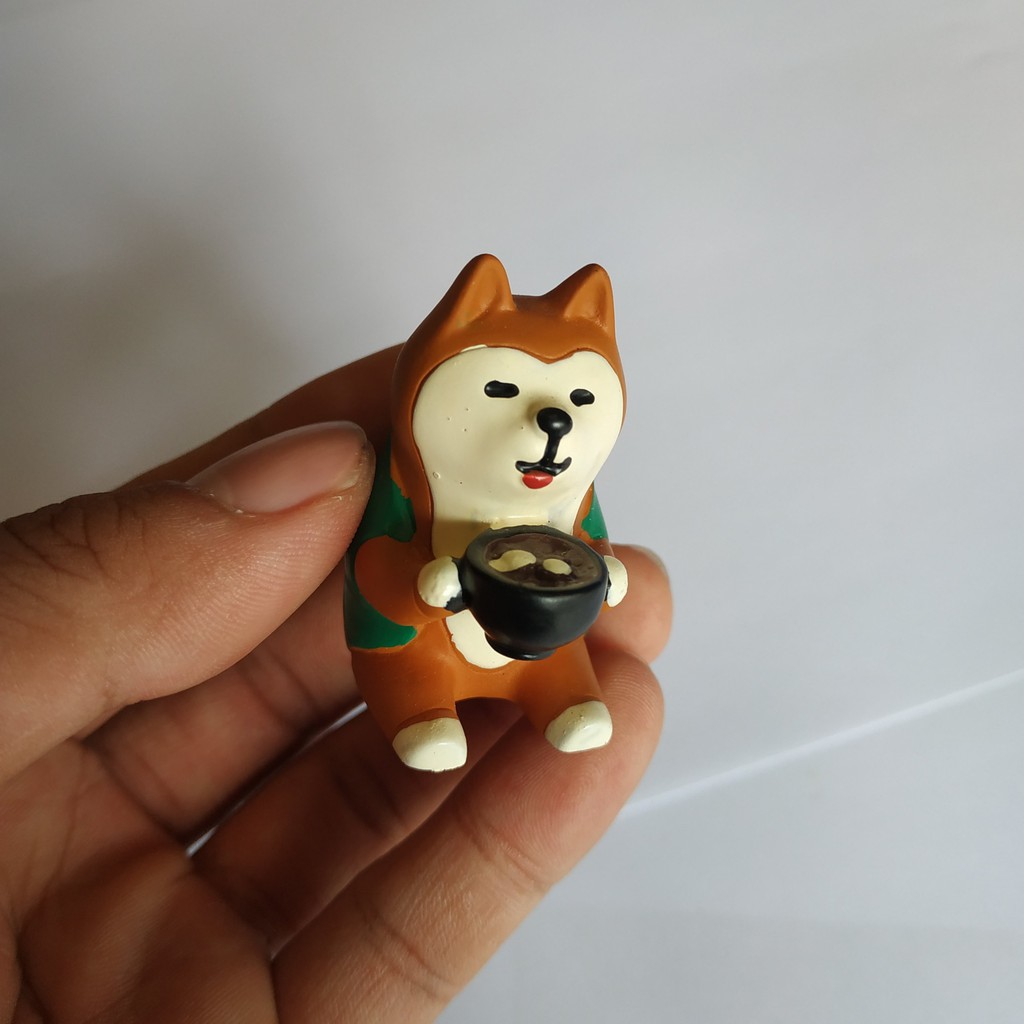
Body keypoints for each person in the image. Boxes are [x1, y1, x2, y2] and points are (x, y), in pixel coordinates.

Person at [0, 347, 670, 1022]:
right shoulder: (410, 482)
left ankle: (563, 697)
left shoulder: (568, 485)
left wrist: (604, 566)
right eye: (498, 390)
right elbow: (377, 559)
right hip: (423, 637)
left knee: (564, 665)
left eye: (581, 402)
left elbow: (587, 534)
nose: (553, 423)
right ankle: (423, 713)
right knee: (407, 666)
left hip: (541, 634)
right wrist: (424, 582)